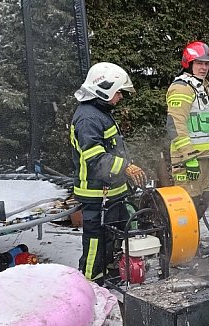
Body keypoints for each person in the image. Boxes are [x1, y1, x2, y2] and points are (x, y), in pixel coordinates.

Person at [70, 62, 147, 282]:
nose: (120, 97)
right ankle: (90, 283)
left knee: (114, 237)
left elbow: (112, 150)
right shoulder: (88, 118)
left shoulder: (99, 113)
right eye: (118, 92)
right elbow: (95, 159)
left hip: (112, 192)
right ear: (103, 89)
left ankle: (110, 273)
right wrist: (126, 167)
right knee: (96, 241)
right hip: (96, 194)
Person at [165, 41, 209, 256]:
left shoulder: (204, 87)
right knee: (186, 206)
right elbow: (176, 127)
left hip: (205, 158)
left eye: (207, 64)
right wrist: (189, 158)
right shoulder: (182, 88)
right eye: (199, 63)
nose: (204, 67)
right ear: (188, 63)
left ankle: (193, 242)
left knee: (200, 203)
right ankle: (181, 246)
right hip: (189, 159)